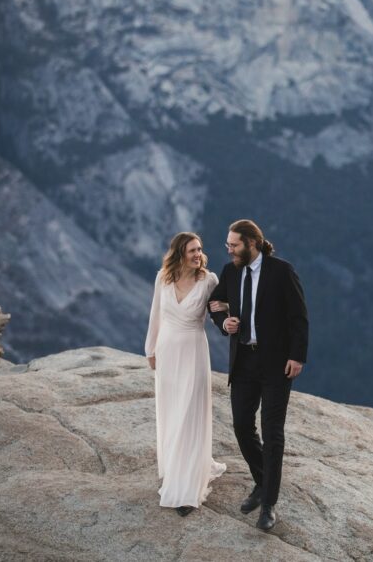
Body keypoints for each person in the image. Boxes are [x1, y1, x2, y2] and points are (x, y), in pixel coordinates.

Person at [207, 219, 308, 531]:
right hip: (244, 363)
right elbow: (215, 303)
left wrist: (297, 356)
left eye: (234, 245)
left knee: (272, 432)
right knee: (241, 426)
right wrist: (224, 322)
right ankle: (264, 482)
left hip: (277, 364)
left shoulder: (282, 271)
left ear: (252, 243)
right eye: (229, 245)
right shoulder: (231, 270)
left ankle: (268, 504)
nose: (229, 249)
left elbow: (299, 317)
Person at [144, 232, 226, 517]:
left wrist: (226, 312)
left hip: (193, 352)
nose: (197, 254)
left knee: (190, 412)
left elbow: (222, 307)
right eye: (192, 250)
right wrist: (150, 350)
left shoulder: (209, 280)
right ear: (179, 253)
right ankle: (175, 467)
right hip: (167, 352)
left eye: (200, 249)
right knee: (171, 411)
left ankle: (187, 488)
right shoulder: (162, 278)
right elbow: (156, 315)